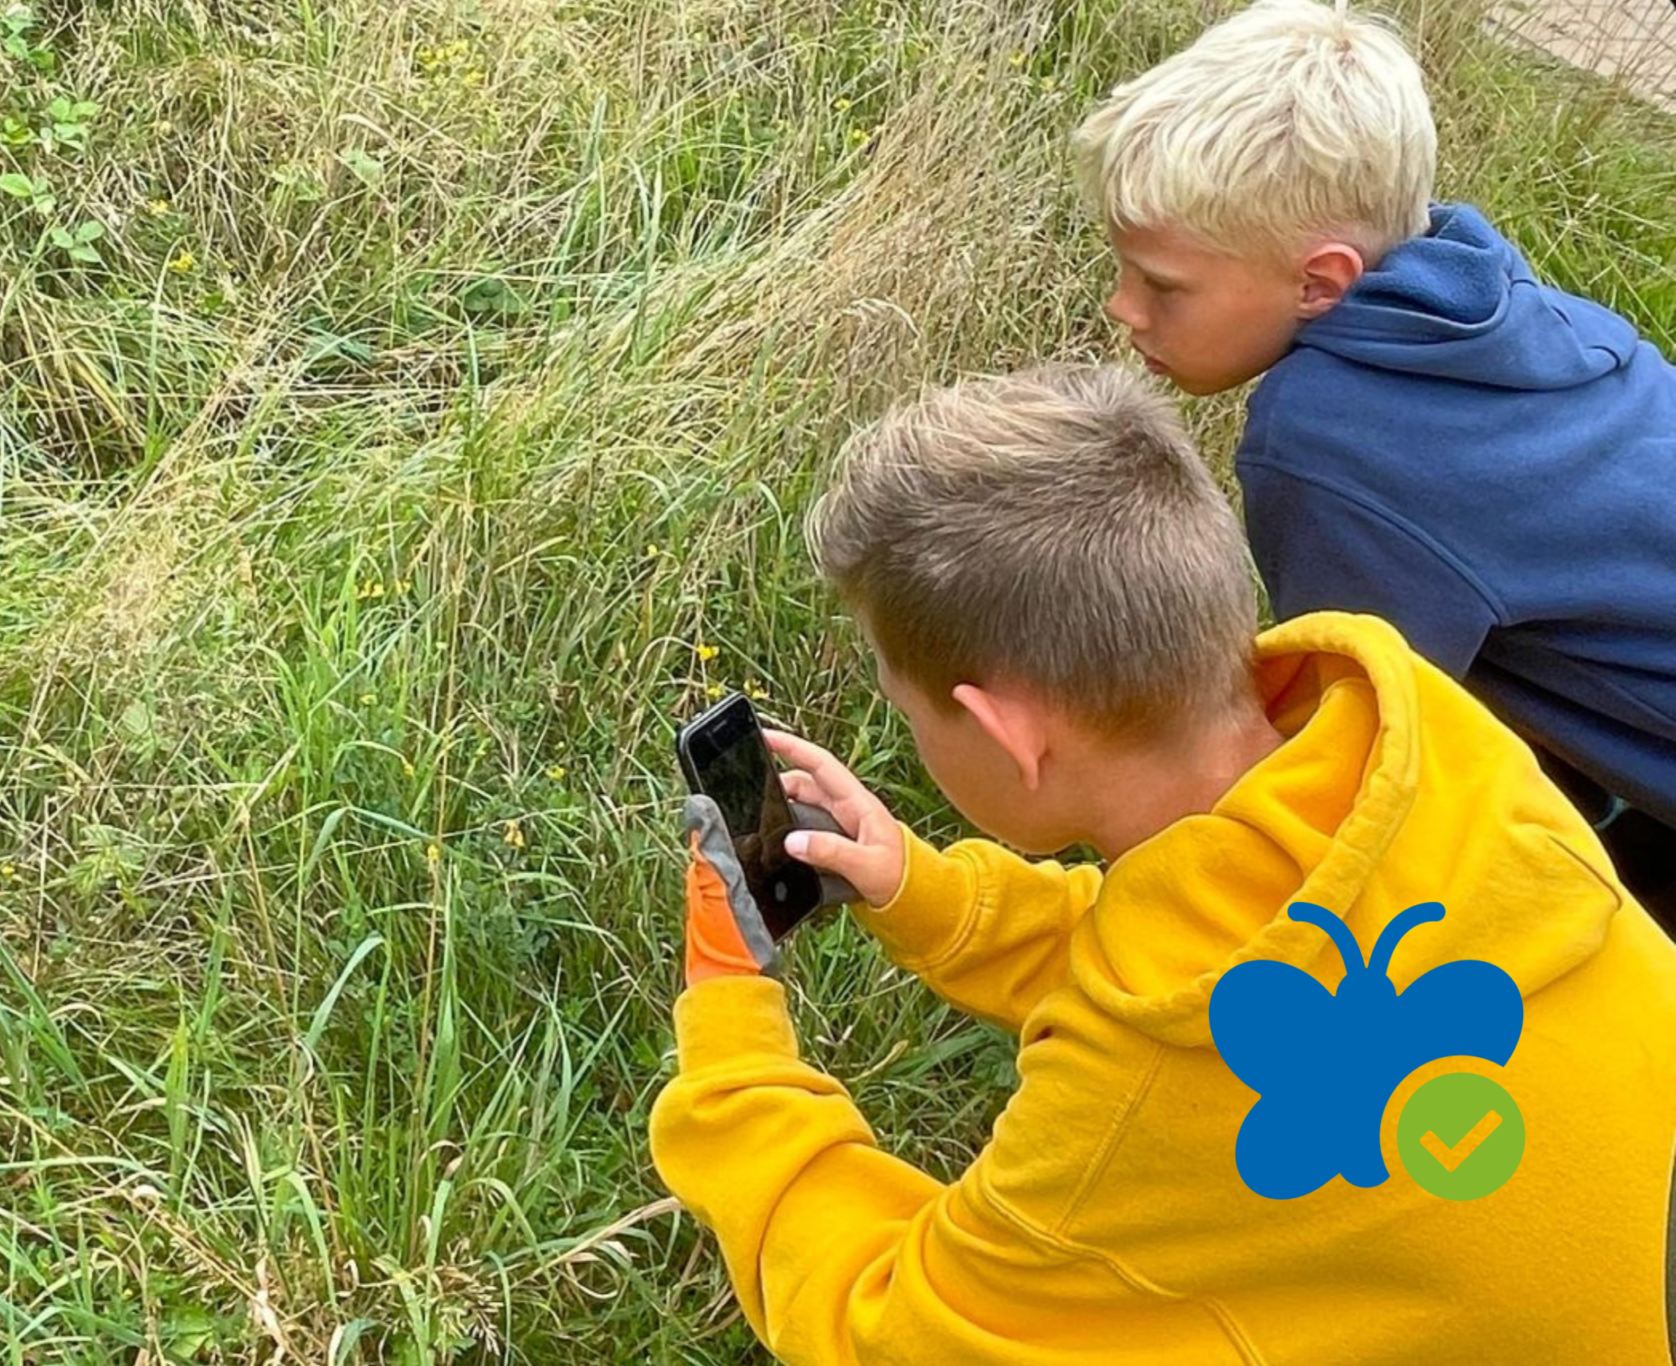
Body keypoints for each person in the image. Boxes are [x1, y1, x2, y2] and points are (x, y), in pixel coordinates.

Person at [649, 365, 1676, 1364]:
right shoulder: (1427, 755)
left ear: (1005, 735)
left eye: (906, 711)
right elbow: (1224, 954)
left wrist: (728, 1017)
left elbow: (887, 1328)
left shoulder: (1131, 1097)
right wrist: (925, 894)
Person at [1069, 0, 1676, 920]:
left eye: (1162, 284)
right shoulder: (1511, 311)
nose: (1124, 307)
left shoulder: (1324, 439)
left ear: (1322, 281)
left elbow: (1352, 752)